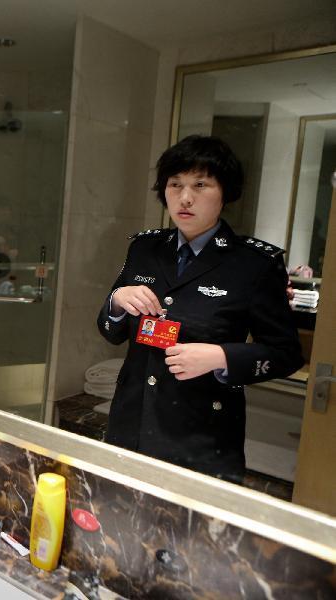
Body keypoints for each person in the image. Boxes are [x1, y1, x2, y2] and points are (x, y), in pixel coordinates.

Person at [97, 135, 303, 483]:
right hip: (130, 426)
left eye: (200, 184)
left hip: (202, 440)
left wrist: (221, 357)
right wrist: (115, 303)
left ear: (225, 193)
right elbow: (110, 332)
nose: (185, 197)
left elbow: (286, 354)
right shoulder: (145, 250)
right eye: (175, 185)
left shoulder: (254, 264)